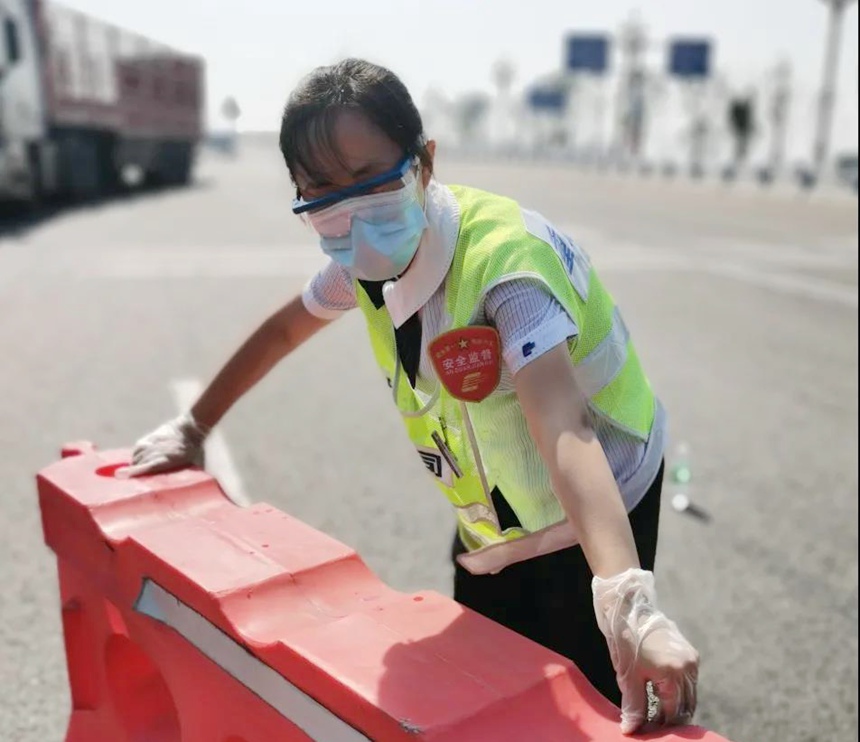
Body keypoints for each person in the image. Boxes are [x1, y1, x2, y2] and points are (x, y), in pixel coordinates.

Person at [121, 58, 699, 735]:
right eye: (322, 193)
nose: (351, 214)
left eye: (371, 179)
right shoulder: (366, 264)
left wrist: (629, 600)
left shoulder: (506, 267)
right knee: (488, 681)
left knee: (584, 699)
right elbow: (282, 332)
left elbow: (561, 425)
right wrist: (195, 425)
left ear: (424, 162)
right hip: (495, 513)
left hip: (601, 494)